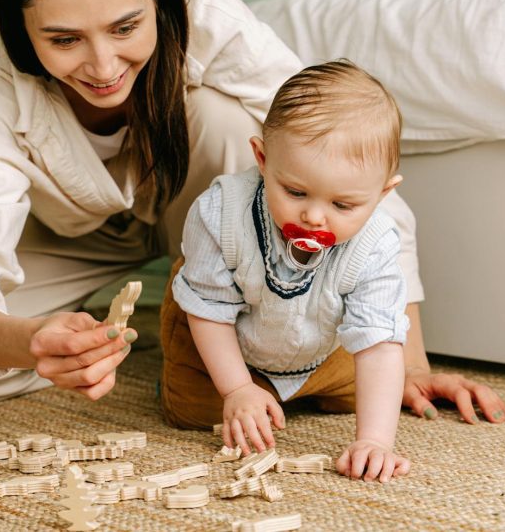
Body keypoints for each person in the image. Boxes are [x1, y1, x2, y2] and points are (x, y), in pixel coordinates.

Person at [0, 0, 505, 430]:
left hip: (205, 212)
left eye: (125, 28)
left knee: (225, 118)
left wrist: (413, 365)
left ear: (159, 2)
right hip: (65, 233)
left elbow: (346, 170)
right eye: (64, 40)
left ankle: (236, 339)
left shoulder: (207, 14)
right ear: (18, 29)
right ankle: (179, 331)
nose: (103, 65)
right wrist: (32, 342)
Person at [163, 61, 414, 482]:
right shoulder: (219, 212)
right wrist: (238, 390)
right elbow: (208, 308)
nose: (315, 216)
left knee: (369, 390)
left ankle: (298, 392)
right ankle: (237, 386)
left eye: (343, 205)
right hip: (219, 332)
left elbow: (378, 341)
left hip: (319, 347)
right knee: (191, 411)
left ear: (383, 192)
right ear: (262, 158)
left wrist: (376, 440)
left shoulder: (378, 243)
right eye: (295, 192)